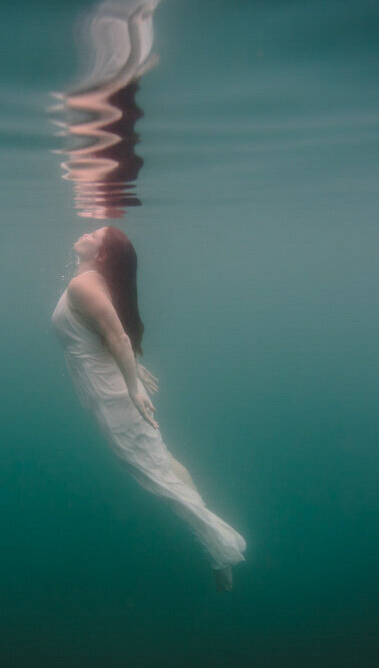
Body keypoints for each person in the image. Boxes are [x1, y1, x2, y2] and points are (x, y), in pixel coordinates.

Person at [51, 226, 246, 591]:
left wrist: (131, 388)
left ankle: (220, 551)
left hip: (113, 393)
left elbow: (118, 336)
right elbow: (103, 332)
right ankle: (212, 532)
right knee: (159, 463)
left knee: (152, 469)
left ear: (103, 254)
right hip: (108, 384)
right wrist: (133, 373)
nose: (86, 230)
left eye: (95, 233)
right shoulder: (88, 282)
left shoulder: (83, 285)